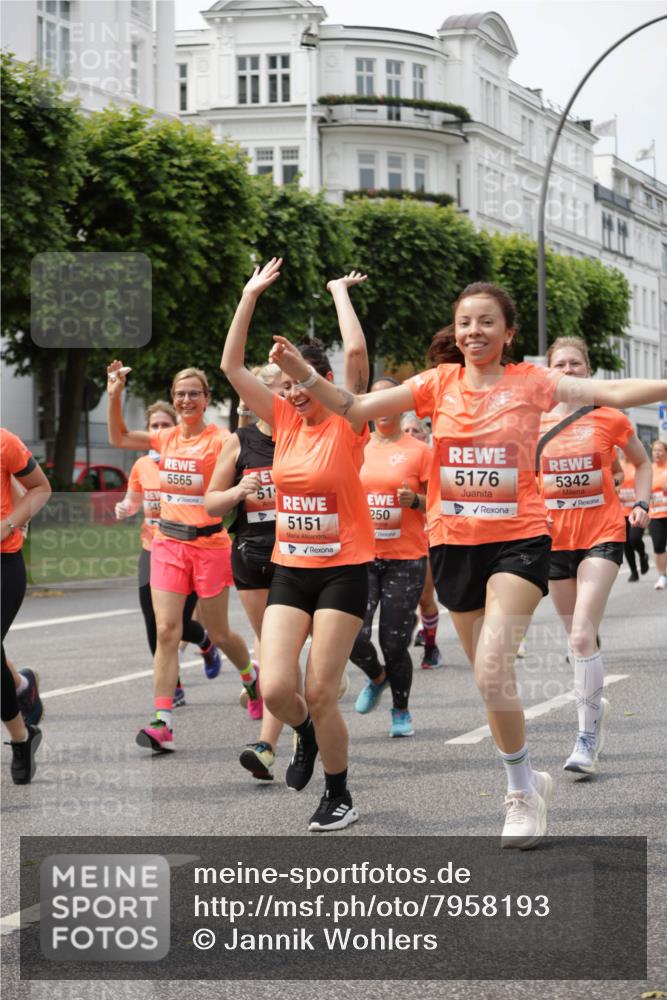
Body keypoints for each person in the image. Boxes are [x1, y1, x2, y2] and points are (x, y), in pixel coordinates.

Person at [270, 280, 667, 848]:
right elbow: (353, 407)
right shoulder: (437, 384)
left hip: (521, 541)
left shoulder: (534, 382)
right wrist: (304, 374)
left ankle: (518, 794)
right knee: (491, 683)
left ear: (508, 333)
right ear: (454, 333)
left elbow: (615, 390)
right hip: (454, 546)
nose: (473, 332)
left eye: (486, 322)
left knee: (492, 668)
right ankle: (532, 778)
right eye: (464, 323)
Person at [221, 259, 373, 831]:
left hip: (344, 571)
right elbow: (232, 365)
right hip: (290, 568)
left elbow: (355, 357)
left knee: (320, 687)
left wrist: (338, 293)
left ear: (320, 381)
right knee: (276, 687)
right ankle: (304, 734)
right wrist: (249, 294)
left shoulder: (346, 421)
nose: (291, 390)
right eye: (283, 384)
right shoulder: (282, 421)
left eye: (300, 380)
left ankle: (339, 794)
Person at [107, 363, 260, 752]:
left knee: (220, 632)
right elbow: (120, 436)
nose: (186, 399)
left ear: (207, 399)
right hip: (167, 545)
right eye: (180, 393)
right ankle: (162, 721)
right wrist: (114, 394)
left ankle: (250, 677)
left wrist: (247, 409)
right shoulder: (167, 439)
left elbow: (247, 448)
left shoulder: (219, 440)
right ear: (173, 399)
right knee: (166, 632)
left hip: (209, 546)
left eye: (194, 393)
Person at [538, 337, 652, 778]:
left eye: (575, 363)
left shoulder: (610, 417)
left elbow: (641, 464)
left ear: (588, 370)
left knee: (583, 635)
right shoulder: (535, 422)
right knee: (577, 640)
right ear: (549, 371)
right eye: (559, 364)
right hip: (553, 542)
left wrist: (639, 504)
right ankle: (594, 699)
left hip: (602, 535)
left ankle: (586, 737)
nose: (567, 370)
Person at [205, 362, 288, 776]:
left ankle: (278, 732)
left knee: (281, 649)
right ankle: (269, 743)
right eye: (276, 388)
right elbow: (211, 503)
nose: (285, 395)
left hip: (301, 556)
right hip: (252, 555)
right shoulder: (239, 442)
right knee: (269, 645)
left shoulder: (307, 436)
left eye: (289, 387)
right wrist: (238, 490)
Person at [115, 400, 221, 707]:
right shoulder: (142, 466)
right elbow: (133, 501)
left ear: (174, 428)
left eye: (165, 425)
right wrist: (125, 507)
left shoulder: (193, 458)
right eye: (154, 426)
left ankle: (205, 640)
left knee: (176, 621)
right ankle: (173, 686)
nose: (159, 431)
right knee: (154, 622)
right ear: (148, 431)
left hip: (187, 547)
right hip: (152, 547)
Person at [351, 378, 432, 736]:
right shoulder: (355, 447)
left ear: (401, 406)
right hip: (360, 557)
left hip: (406, 558)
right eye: (375, 399)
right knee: (351, 635)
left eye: (389, 399)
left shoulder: (419, 451)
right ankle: (377, 676)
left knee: (394, 641)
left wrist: (414, 501)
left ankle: (401, 709)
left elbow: (441, 503)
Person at [1, 428, 51, 783]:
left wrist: (8, 524)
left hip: (4, 562)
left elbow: (40, 488)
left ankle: (20, 737)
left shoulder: (4, 441)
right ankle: (22, 728)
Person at [401, 416, 444, 668]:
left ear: (425, 435)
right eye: (405, 429)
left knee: (425, 598)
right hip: (402, 537)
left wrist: (417, 501)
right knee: (412, 599)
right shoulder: (390, 456)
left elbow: (441, 498)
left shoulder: (428, 457)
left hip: (431, 535)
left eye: (415, 430)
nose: (410, 433)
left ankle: (431, 646)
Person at [616, 449, 650, 582]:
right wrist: (615, 489)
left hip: (637, 511)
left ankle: (643, 556)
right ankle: (633, 571)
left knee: (634, 539)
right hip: (620, 511)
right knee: (626, 544)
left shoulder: (639, 466)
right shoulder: (618, 466)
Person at [649, 439, 667, 589]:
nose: (657, 453)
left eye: (660, 450)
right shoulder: (648, 470)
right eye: (655, 450)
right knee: (658, 547)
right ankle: (662, 576)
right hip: (656, 514)